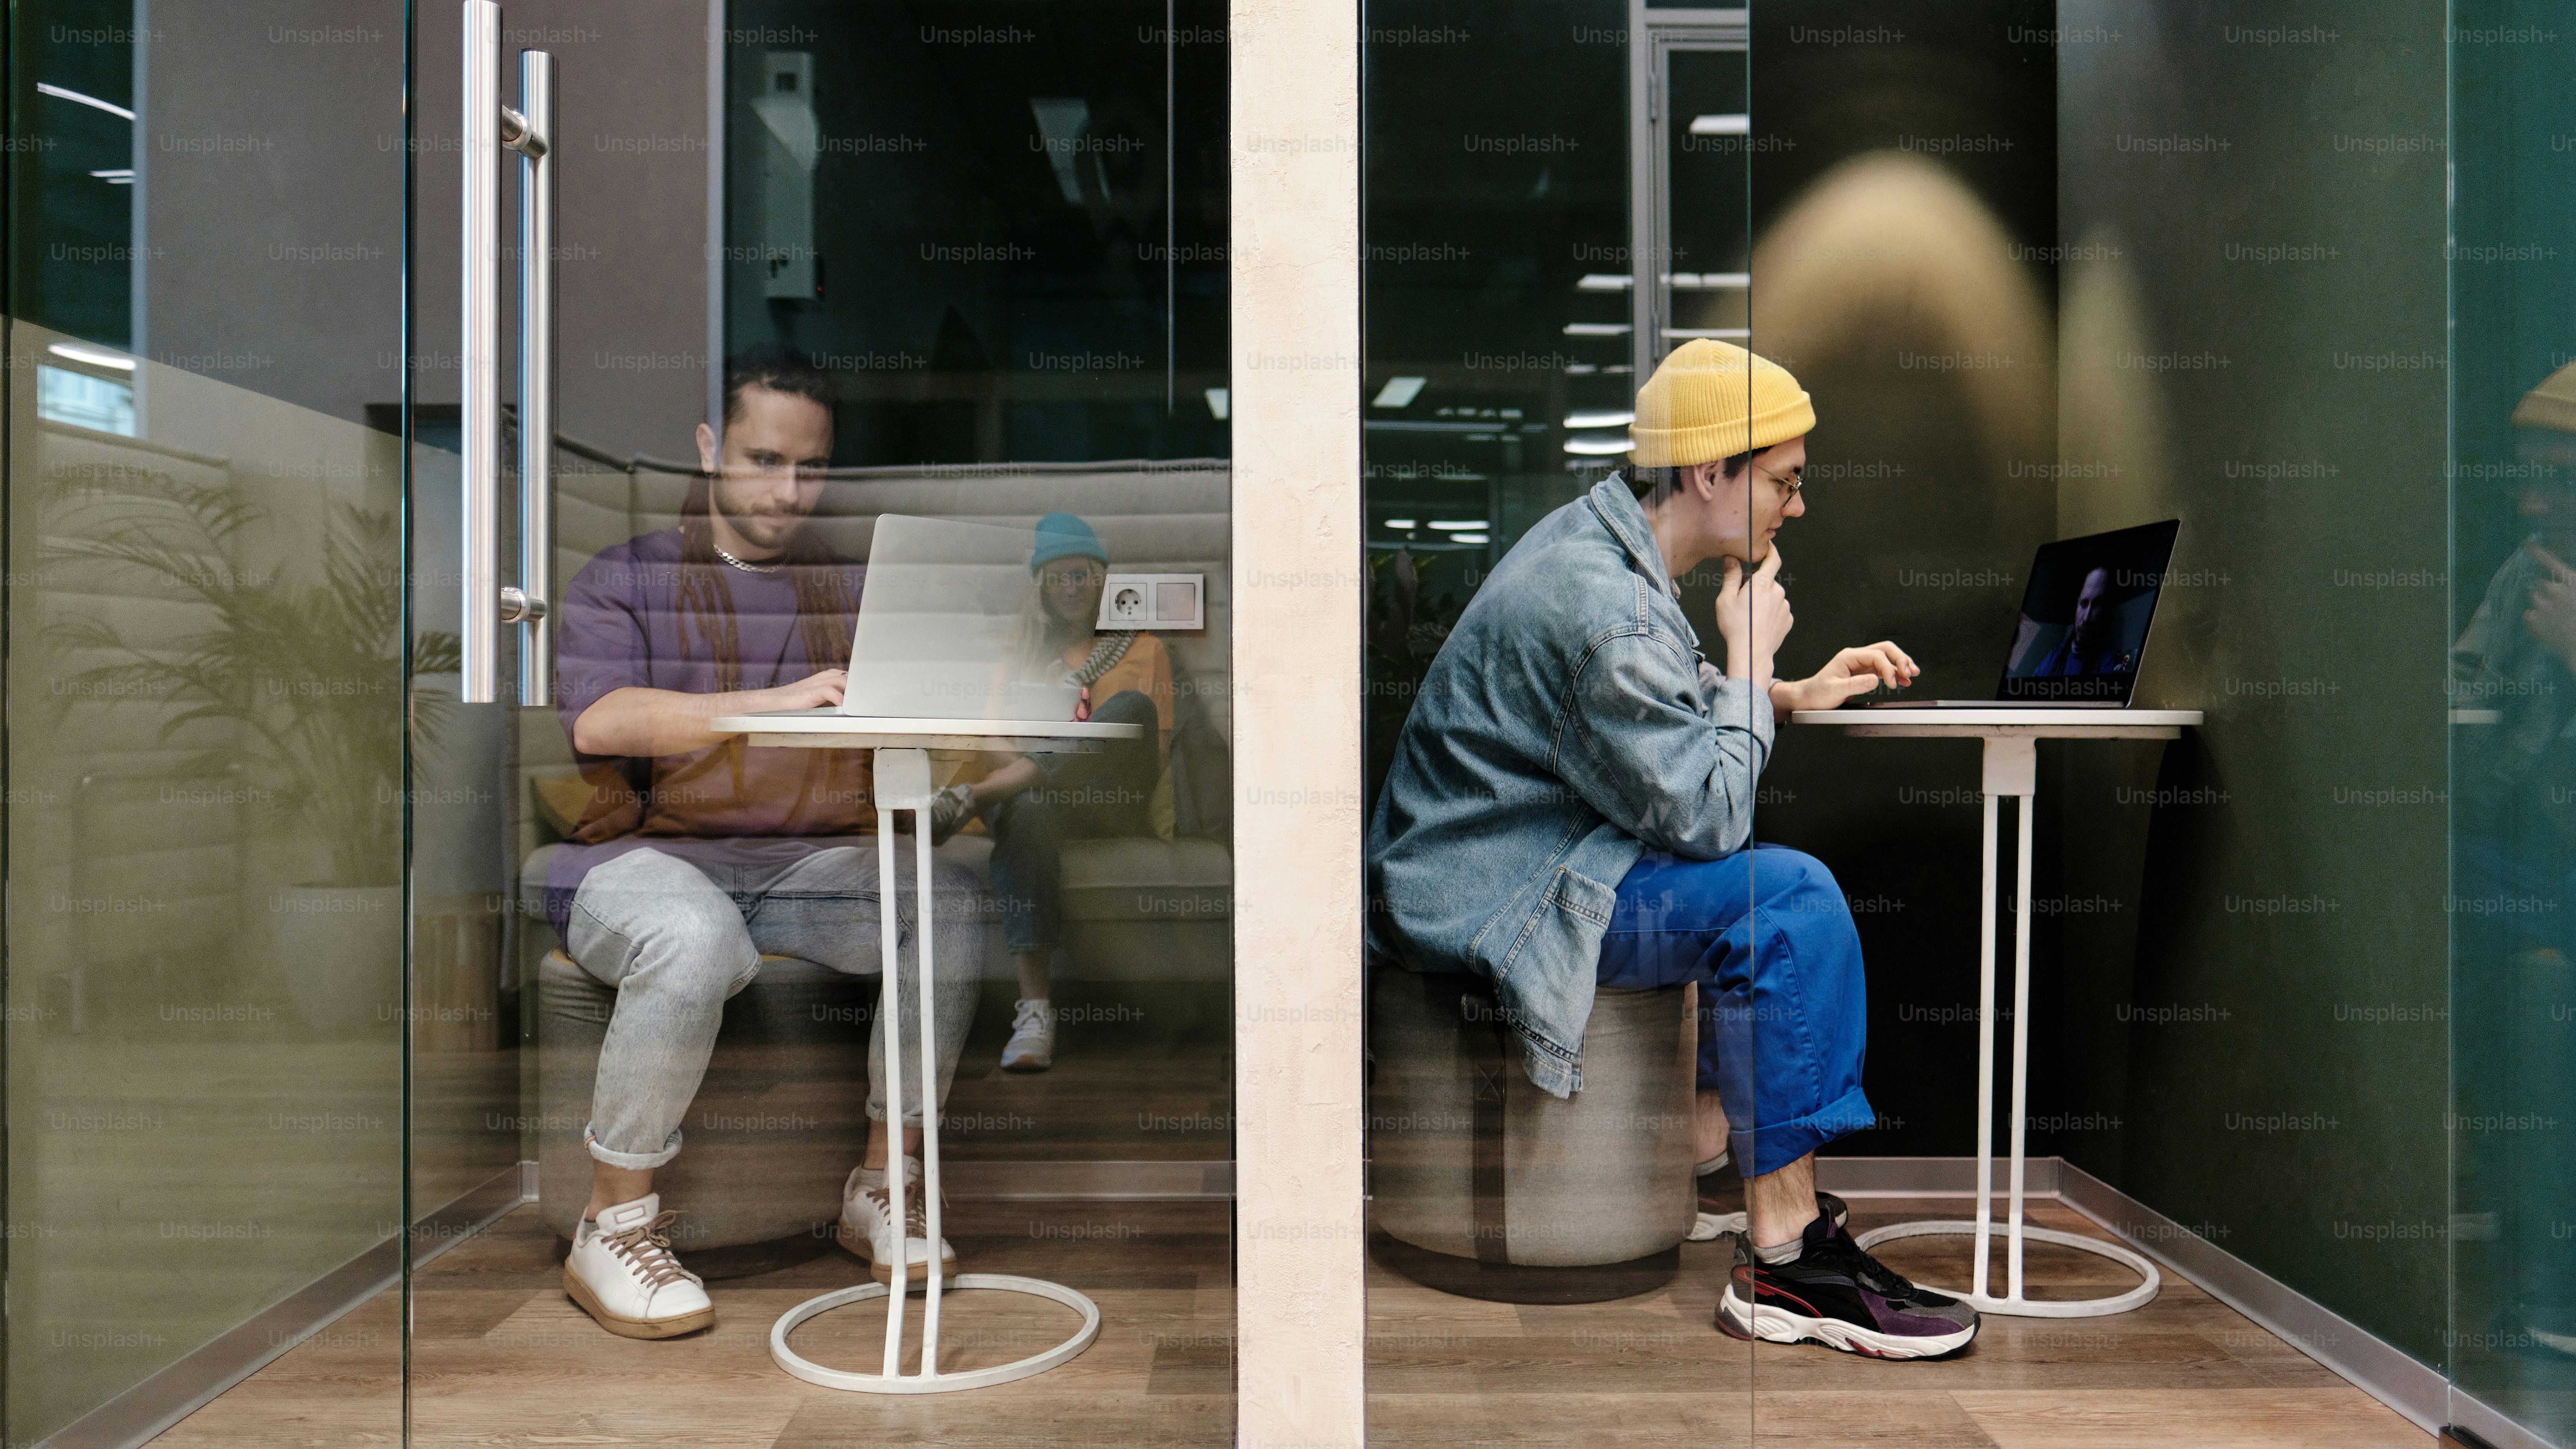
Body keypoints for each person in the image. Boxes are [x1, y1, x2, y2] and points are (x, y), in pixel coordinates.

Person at [1366, 338, 1980, 1359]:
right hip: (1496, 895)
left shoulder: (1603, 551)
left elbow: (1643, 715)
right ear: (1711, 473)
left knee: (1765, 895)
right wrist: (1751, 659)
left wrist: (1784, 693)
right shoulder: (1604, 605)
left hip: (1529, 855)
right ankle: (1786, 1257)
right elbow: (1707, 816)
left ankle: (1721, 1149)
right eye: (1784, 481)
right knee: (1780, 897)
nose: (1798, 506)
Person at [544, 347, 983, 1337]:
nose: (786, 491)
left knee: (946, 902)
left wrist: (1010, 695)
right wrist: (765, 704)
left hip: (803, 867)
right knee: (693, 936)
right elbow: (601, 723)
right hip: (637, 862)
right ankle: (610, 1220)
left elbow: (929, 715)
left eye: (810, 467)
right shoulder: (627, 574)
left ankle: (881, 1183)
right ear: (708, 446)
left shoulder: (856, 587)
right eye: (761, 458)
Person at [928, 513, 1174, 1071]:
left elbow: (1149, 753)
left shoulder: (1144, 649)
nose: (1070, 589)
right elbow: (991, 734)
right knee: (1030, 804)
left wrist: (1049, 762)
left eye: (1081, 576)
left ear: (1101, 580)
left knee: (1129, 709)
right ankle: (1034, 1014)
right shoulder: (1017, 652)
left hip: (1104, 800)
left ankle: (976, 796)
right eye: (1057, 578)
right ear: (1041, 587)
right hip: (1031, 803)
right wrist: (1034, 771)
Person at [2029, 565, 2135, 676]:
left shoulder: (2108, 660)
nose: (2086, 618)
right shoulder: (2055, 656)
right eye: (2084, 604)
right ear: (2077, 605)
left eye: (2097, 605)